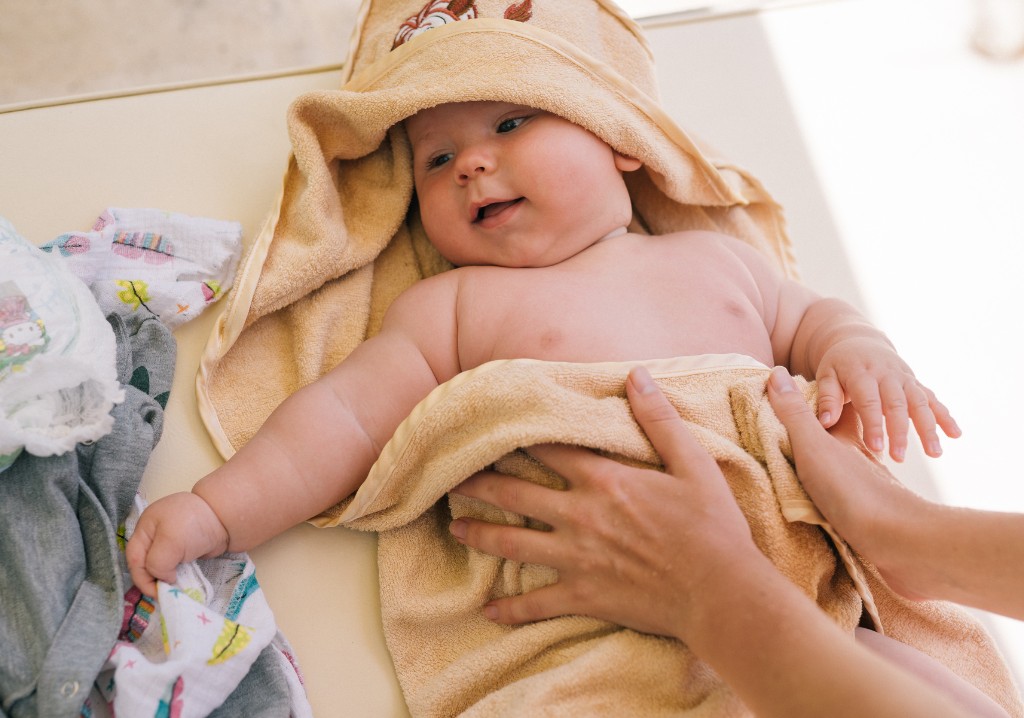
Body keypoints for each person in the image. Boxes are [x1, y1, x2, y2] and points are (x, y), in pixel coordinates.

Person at [125, 99, 967, 705]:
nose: (470, 164)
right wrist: (217, 511)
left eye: (509, 124)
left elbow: (815, 321)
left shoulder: (716, 261)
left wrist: (861, 354)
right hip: (601, 625)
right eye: (435, 161)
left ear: (619, 143)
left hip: (796, 597)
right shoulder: (457, 307)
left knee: (921, 686)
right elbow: (341, 419)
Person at [446, 364, 1024, 717]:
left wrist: (706, 585)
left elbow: (797, 312)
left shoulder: (710, 260)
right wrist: (905, 531)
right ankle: (910, 544)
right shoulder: (461, 298)